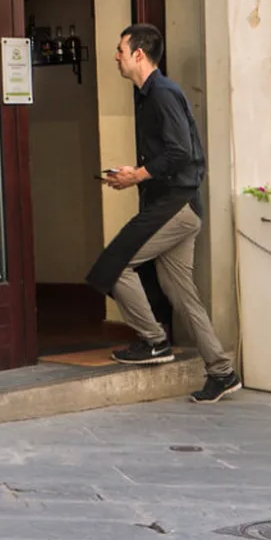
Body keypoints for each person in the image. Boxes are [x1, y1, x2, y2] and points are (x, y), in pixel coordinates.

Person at [85, 23, 242, 405]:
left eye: (121, 50)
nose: (116, 56)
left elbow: (180, 152)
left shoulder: (162, 93)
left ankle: (155, 341)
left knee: (115, 265)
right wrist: (133, 175)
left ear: (139, 54)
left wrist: (136, 175)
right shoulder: (150, 94)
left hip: (176, 205)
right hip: (176, 203)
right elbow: (170, 154)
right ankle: (222, 372)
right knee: (182, 294)